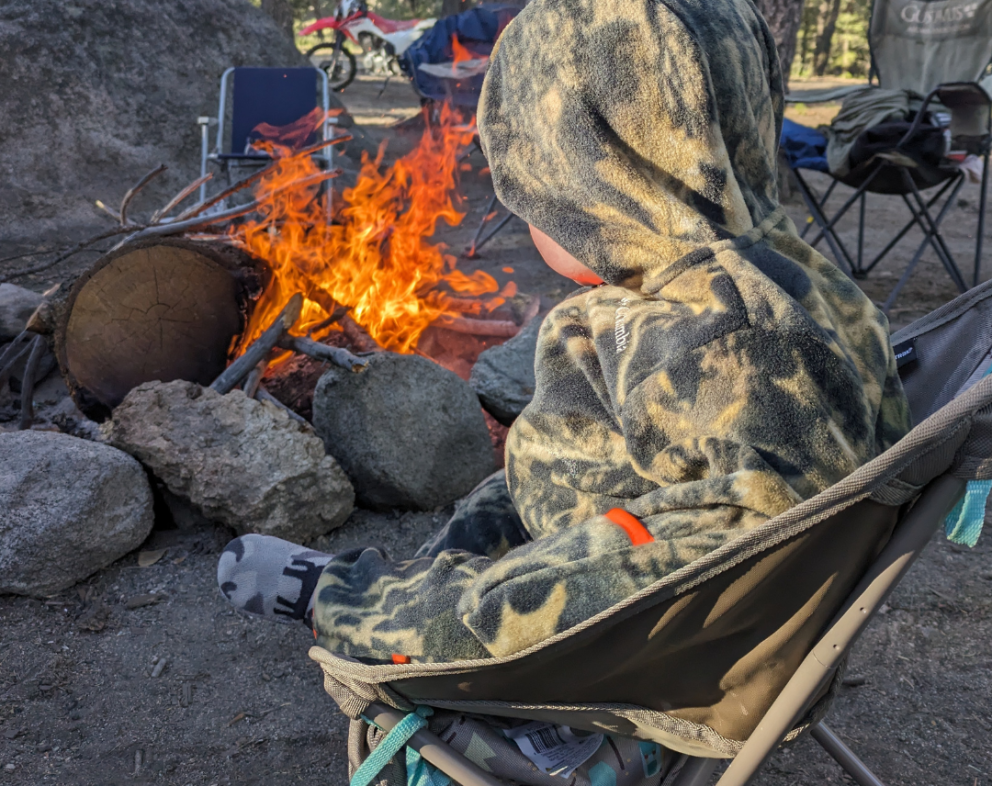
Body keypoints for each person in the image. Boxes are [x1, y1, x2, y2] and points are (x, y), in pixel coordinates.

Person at [218, 0, 911, 665]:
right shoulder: (775, 283)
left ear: (602, 177)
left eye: (534, 184)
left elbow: (686, 568)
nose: (524, 207)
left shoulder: (736, 351)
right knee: (500, 497)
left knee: (400, 583)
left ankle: (377, 594)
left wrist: (368, 605)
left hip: (612, 653)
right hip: (607, 532)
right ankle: (433, 567)